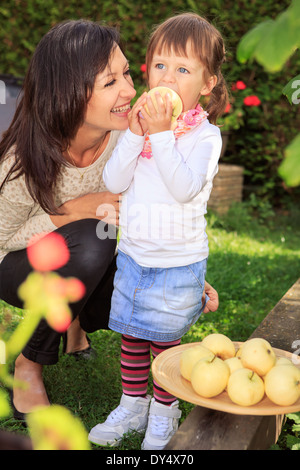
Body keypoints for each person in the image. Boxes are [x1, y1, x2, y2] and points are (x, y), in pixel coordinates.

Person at [88, 13, 227, 450]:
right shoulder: (140, 128)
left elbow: (184, 188)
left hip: (176, 262)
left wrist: (162, 134)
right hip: (133, 255)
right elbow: (113, 182)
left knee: (164, 345)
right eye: (160, 66)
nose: (168, 77)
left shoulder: (206, 137)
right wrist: (133, 136)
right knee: (131, 333)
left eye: (183, 70)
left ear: (207, 84)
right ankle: (133, 404)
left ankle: (165, 413)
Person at [0, 19, 136, 418]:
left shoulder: (127, 144)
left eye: (127, 73)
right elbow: (2, 238)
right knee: (94, 237)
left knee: (143, 288)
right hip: (14, 264)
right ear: (69, 93)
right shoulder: (26, 158)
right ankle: (29, 364)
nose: (129, 90)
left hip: (81, 255)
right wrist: (68, 212)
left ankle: (76, 322)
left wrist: (181, 270)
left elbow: (143, 217)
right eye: (110, 82)